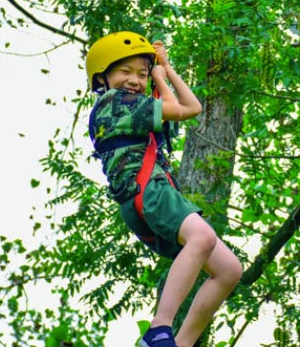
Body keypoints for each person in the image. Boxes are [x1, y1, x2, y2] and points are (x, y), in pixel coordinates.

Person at [86, 31, 242, 347]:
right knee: (203, 236)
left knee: (228, 270)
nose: (134, 80)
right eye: (125, 72)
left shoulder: (135, 107)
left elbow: (190, 106)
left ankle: (179, 344)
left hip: (148, 196)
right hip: (148, 192)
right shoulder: (114, 103)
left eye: (141, 74)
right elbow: (185, 108)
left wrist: (165, 70)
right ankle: (159, 328)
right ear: (102, 76)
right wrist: (159, 74)